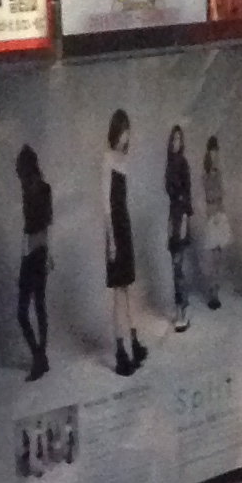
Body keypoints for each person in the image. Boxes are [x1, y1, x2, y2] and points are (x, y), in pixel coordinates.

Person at [105, 109, 147, 377]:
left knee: (127, 290)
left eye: (128, 132)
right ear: (115, 132)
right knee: (118, 293)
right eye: (123, 131)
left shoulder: (123, 160)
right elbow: (105, 204)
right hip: (115, 228)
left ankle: (134, 343)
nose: (126, 136)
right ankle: (120, 351)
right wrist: (111, 240)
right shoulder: (107, 158)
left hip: (125, 225)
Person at [14, 144, 52, 379]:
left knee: (25, 310)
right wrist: (48, 253)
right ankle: (41, 355)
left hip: (32, 253)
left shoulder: (30, 190)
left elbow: (33, 230)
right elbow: (45, 227)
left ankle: (39, 357)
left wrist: (27, 254)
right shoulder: (43, 189)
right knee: (39, 306)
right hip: (39, 252)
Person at [164, 123, 195, 333]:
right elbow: (171, 197)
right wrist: (169, 223)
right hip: (172, 215)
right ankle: (180, 307)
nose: (176, 142)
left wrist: (184, 221)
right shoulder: (169, 164)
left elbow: (187, 195)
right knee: (175, 266)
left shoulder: (183, 163)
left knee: (178, 267)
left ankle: (181, 312)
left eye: (179, 139)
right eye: (173, 139)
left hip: (181, 216)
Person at [200, 134, 228, 309]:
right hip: (212, 214)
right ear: (208, 153)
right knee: (211, 256)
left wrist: (221, 213)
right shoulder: (206, 175)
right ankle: (211, 292)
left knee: (218, 256)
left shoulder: (219, 173)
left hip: (220, 213)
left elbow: (221, 195)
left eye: (216, 152)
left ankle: (215, 292)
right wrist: (213, 215)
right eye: (212, 152)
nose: (214, 155)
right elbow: (209, 196)